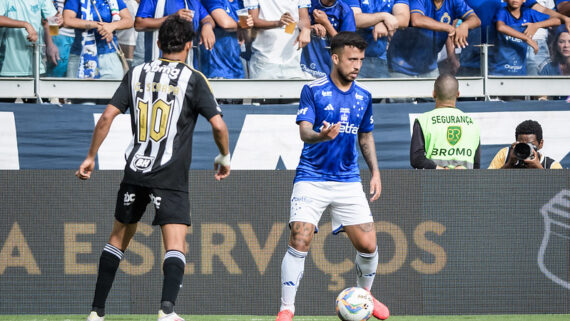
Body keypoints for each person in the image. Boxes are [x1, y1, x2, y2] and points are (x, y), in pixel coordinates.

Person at [75, 15, 231, 321]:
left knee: (118, 237)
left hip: (135, 169)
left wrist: (90, 156)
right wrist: (224, 155)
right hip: (170, 174)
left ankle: (96, 312)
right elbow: (218, 124)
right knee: (176, 242)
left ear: (158, 44)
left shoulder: (136, 73)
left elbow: (106, 117)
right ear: (190, 44)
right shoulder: (194, 78)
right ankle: (167, 310)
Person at [275, 31, 389, 321]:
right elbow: (304, 132)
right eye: (352, 59)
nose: (357, 65)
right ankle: (286, 308)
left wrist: (375, 172)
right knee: (300, 237)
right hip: (312, 177)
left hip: (348, 180)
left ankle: (365, 295)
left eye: (361, 60)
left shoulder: (364, 96)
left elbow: (365, 137)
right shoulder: (312, 90)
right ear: (335, 58)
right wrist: (321, 135)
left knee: (368, 245)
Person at [386, 0, 480, 78]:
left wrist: (465, 25)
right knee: (401, 100)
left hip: (429, 65)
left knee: (433, 99)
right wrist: (448, 27)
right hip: (401, 65)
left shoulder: (454, 1)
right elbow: (416, 20)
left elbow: (476, 19)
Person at [410, 74, 480, 169]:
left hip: (433, 182)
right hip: (465, 182)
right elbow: (476, 166)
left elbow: (416, 159)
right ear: (458, 94)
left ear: (434, 94)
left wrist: (437, 168)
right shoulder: (472, 124)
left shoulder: (423, 121)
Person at [63, 0, 134, 79]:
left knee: (113, 90)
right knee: (78, 90)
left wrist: (112, 26)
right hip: (81, 56)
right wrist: (98, 25)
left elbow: (129, 21)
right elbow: (67, 20)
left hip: (109, 56)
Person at [134, 0, 216, 67]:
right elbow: (139, 24)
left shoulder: (193, 1)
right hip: (157, 61)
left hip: (188, 63)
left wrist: (207, 26)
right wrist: (172, 18)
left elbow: (207, 18)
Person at [244, 0, 312, 79]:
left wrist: (306, 29)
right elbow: (252, 20)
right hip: (264, 60)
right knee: (261, 91)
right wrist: (278, 23)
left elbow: (304, 18)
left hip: (293, 59)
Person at [490, 0, 560, 75]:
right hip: (500, 69)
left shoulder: (528, 13)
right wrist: (526, 38)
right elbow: (500, 27)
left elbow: (557, 21)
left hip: (519, 70)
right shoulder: (502, 12)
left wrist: (537, 25)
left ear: (524, 0)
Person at [346, 0, 410, 78]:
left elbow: (404, 18)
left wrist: (383, 24)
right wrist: (383, 16)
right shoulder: (384, 16)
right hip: (353, 58)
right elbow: (354, 19)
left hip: (382, 58)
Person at [0, 0, 59, 77]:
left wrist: (51, 44)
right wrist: (25, 24)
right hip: (8, 69)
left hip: (37, 67)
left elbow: (53, 22)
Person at [299, 0, 356, 78]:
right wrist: (309, 28)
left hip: (329, 69)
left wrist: (326, 23)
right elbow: (291, 25)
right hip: (304, 67)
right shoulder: (307, 3)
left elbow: (348, 47)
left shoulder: (345, 10)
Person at [200, 0, 253, 79]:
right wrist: (241, 25)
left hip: (237, 67)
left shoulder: (240, 2)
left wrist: (248, 27)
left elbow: (247, 37)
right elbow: (225, 23)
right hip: (215, 69)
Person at [488, 120, 562, 169]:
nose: (525, 149)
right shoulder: (506, 155)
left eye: (530, 145)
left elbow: (560, 190)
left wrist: (539, 169)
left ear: (541, 144)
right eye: (522, 145)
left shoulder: (551, 165)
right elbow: (487, 183)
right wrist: (509, 164)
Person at [46, 0, 76, 78]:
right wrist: (50, 42)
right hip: (59, 36)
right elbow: (51, 12)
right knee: (56, 78)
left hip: (84, 36)